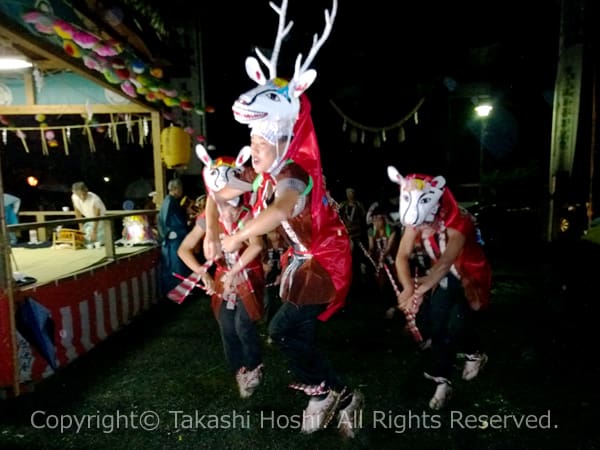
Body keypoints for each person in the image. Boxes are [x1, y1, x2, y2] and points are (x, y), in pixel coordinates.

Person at [388, 167, 492, 411]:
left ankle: (474, 352)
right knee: (438, 327)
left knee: (458, 325)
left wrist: (419, 289)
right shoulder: (416, 219)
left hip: (468, 277)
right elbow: (401, 256)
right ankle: (443, 382)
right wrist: (406, 288)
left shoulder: (460, 221)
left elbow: (446, 262)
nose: (420, 226)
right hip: (442, 279)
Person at [178, 148, 265, 398]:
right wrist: (203, 275)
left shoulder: (248, 216)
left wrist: (235, 269)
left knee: (242, 324)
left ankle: (254, 366)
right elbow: (184, 250)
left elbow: (257, 246)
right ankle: (240, 370)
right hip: (223, 278)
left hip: (248, 274)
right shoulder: (207, 219)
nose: (225, 200)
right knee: (226, 325)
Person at [157, 178, 191, 294]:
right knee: (174, 266)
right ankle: (175, 292)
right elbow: (164, 222)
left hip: (177, 237)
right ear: (176, 189)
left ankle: (180, 291)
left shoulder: (172, 201)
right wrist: (167, 234)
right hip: (173, 239)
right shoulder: (169, 201)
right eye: (180, 188)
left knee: (179, 266)